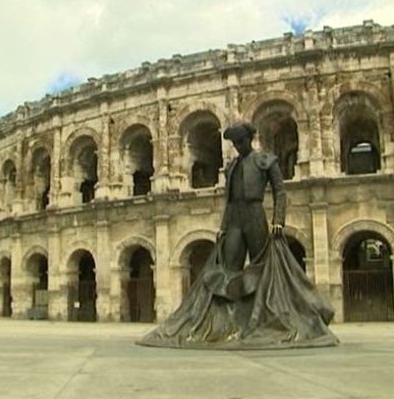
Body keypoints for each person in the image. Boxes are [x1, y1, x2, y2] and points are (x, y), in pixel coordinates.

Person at [138, 122, 338, 349]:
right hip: (235, 217)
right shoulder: (232, 166)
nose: (238, 146)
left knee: (261, 267)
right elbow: (229, 200)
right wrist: (223, 227)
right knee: (227, 269)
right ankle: (228, 321)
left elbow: (280, 192)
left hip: (255, 214)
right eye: (235, 143)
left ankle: (262, 316)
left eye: (241, 141)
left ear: (250, 140)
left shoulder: (265, 161)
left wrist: (278, 221)